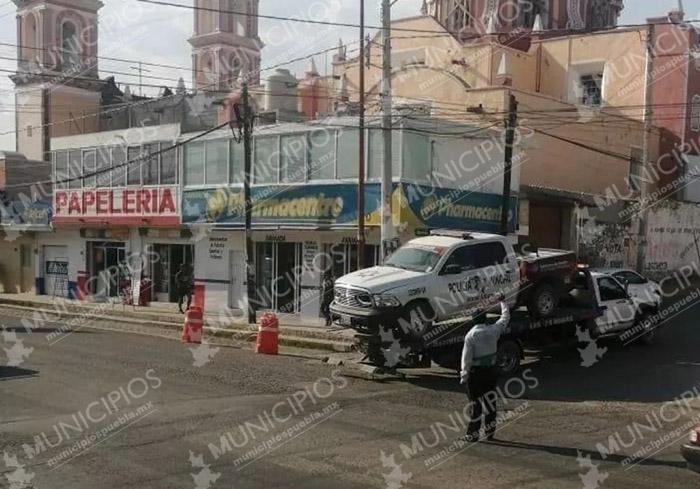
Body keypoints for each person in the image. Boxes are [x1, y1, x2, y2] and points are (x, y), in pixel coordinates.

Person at [460, 295, 510, 442]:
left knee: (476, 405)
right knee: (490, 403)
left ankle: (472, 434)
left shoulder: (471, 335)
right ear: (485, 318)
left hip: (476, 374)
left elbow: (466, 358)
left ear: (473, 320)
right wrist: (503, 302)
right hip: (491, 372)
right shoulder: (494, 330)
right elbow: (505, 317)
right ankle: (490, 433)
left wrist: (464, 376)